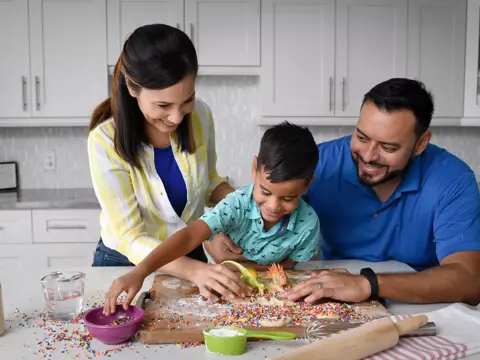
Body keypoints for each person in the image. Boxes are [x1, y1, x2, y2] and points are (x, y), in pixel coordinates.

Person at [205, 78, 480, 306]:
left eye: (389, 147)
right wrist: (222, 233)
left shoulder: (453, 181)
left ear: (421, 143)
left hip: (422, 302)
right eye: (361, 137)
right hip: (338, 297)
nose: (369, 156)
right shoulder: (321, 165)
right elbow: (259, 205)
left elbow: (469, 281)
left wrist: (368, 284)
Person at [88, 23, 250, 302]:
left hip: (191, 256)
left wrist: (249, 207)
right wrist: (194, 270)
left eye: (187, 100)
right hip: (127, 264)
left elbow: (209, 182)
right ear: (131, 87)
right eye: (163, 106)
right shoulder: (104, 140)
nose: (176, 118)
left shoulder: (200, 116)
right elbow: (129, 237)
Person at [103, 122, 321, 314]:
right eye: (265, 192)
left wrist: (243, 269)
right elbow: (189, 237)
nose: (273, 206)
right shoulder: (236, 204)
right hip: (223, 293)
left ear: (308, 185)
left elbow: (289, 264)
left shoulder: (308, 225)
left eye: (288, 198)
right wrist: (140, 271)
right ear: (255, 169)